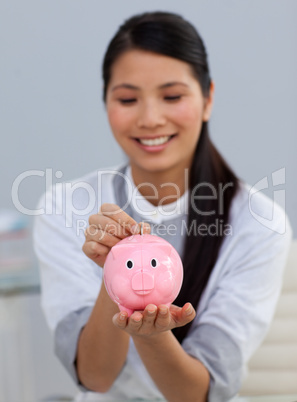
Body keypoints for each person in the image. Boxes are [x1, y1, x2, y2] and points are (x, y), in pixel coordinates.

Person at [34, 11, 292, 402]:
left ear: (207, 99)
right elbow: (94, 377)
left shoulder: (259, 223)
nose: (150, 118)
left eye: (172, 96)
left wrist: (153, 337)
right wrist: (116, 273)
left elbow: (199, 393)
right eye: (127, 98)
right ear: (105, 101)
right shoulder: (66, 208)